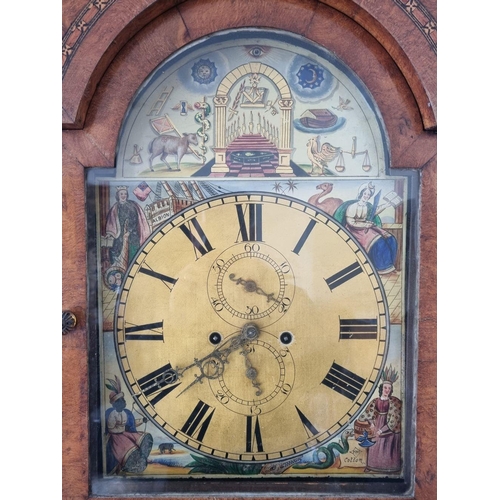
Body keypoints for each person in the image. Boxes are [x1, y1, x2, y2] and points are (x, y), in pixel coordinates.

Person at [333, 182, 397, 274]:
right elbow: (351, 223)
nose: (366, 196)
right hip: (354, 231)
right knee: (379, 242)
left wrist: (385, 205)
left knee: (390, 238)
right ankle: (381, 268)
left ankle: (389, 266)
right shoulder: (353, 207)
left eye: (368, 194)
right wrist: (364, 225)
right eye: (365, 193)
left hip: (366, 228)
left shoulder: (367, 206)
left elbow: (374, 212)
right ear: (361, 194)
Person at [355, 366, 402, 473]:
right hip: (376, 425)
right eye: (385, 388)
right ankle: (373, 467)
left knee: (385, 445)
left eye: (389, 388)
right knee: (375, 444)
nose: (387, 390)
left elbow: (394, 420)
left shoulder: (394, 401)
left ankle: (389, 468)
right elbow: (367, 414)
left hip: (388, 428)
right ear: (381, 388)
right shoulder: (375, 401)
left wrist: (381, 430)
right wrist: (371, 425)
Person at [105, 376, 153, 474]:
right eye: (121, 400)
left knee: (146, 438)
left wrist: (142, 420)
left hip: (125, 433)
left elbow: (132, 423)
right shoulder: (112, 414)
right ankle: (135, 461)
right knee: (130, 450)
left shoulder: (125, 413)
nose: (124, 402)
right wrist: (122, 429)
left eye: (123, 400)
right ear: (116, 404)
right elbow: (111, 429)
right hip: (117, 439)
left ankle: (142, 457)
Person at [105, 186, 151, 268]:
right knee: (114, 252)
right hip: (119, 236)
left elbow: (134, 220)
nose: (123, 196)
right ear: (118, 195)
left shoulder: (131, 206)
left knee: (132, 254)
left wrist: (129, 232)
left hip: (132, 235)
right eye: (121, 194)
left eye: (125, 194)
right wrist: (110, 233)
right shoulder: (115, 208)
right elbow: (111, 222)